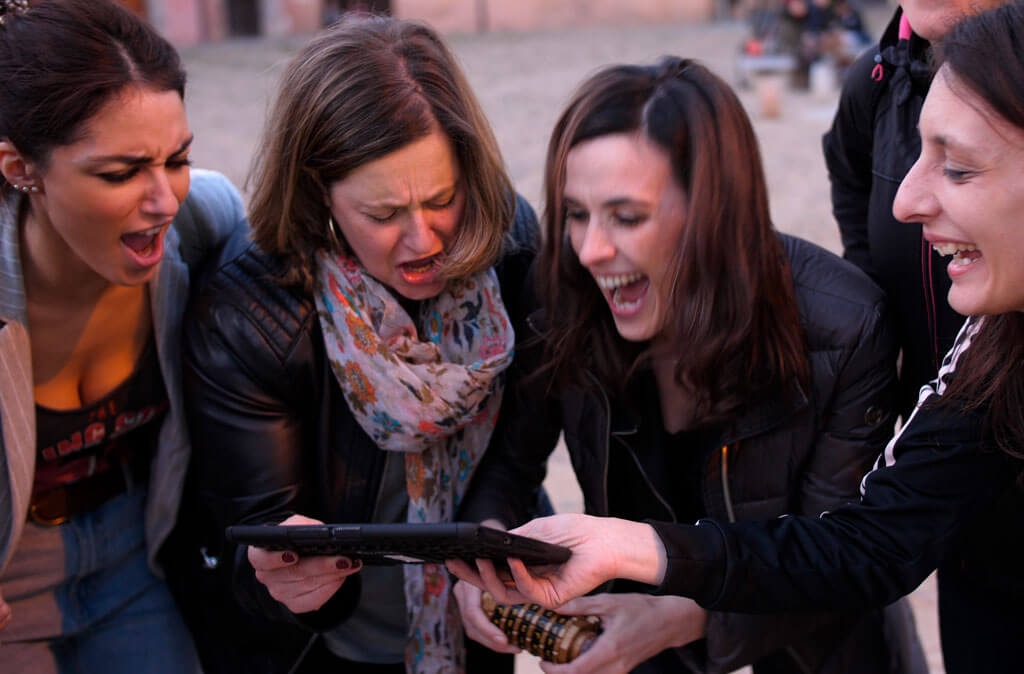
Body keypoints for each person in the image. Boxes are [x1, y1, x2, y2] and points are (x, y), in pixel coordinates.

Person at [452, 5, 1024, 671]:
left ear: (713, 210)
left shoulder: (847, 324)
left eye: (956, 168)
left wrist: (665, 603)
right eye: (575, 214)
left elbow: (844, 560)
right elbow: (873, 544)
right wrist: (596, 549)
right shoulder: (993, 348)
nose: (903, 201)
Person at [173, 14, 539, 674]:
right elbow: (249, 545)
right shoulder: (246, 311)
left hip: (477, 626)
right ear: (319, 196)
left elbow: (521, 444)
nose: (424, 240)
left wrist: (485, 550)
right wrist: (289, 582)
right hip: (320, 649)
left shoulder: (507, 241)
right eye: (383, 214)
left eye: (442, 198)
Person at [0, 0, 247, 671]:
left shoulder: (204, 220)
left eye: (178, 158)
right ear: (20, 168)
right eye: (121, 172)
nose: (164, 198)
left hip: (137, 557)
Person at [824, 0, 1004, 417]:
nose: (906, 205)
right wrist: (873, 316)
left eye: (960, 167)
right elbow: (848, 180)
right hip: (918, 403)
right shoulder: (874, 81)